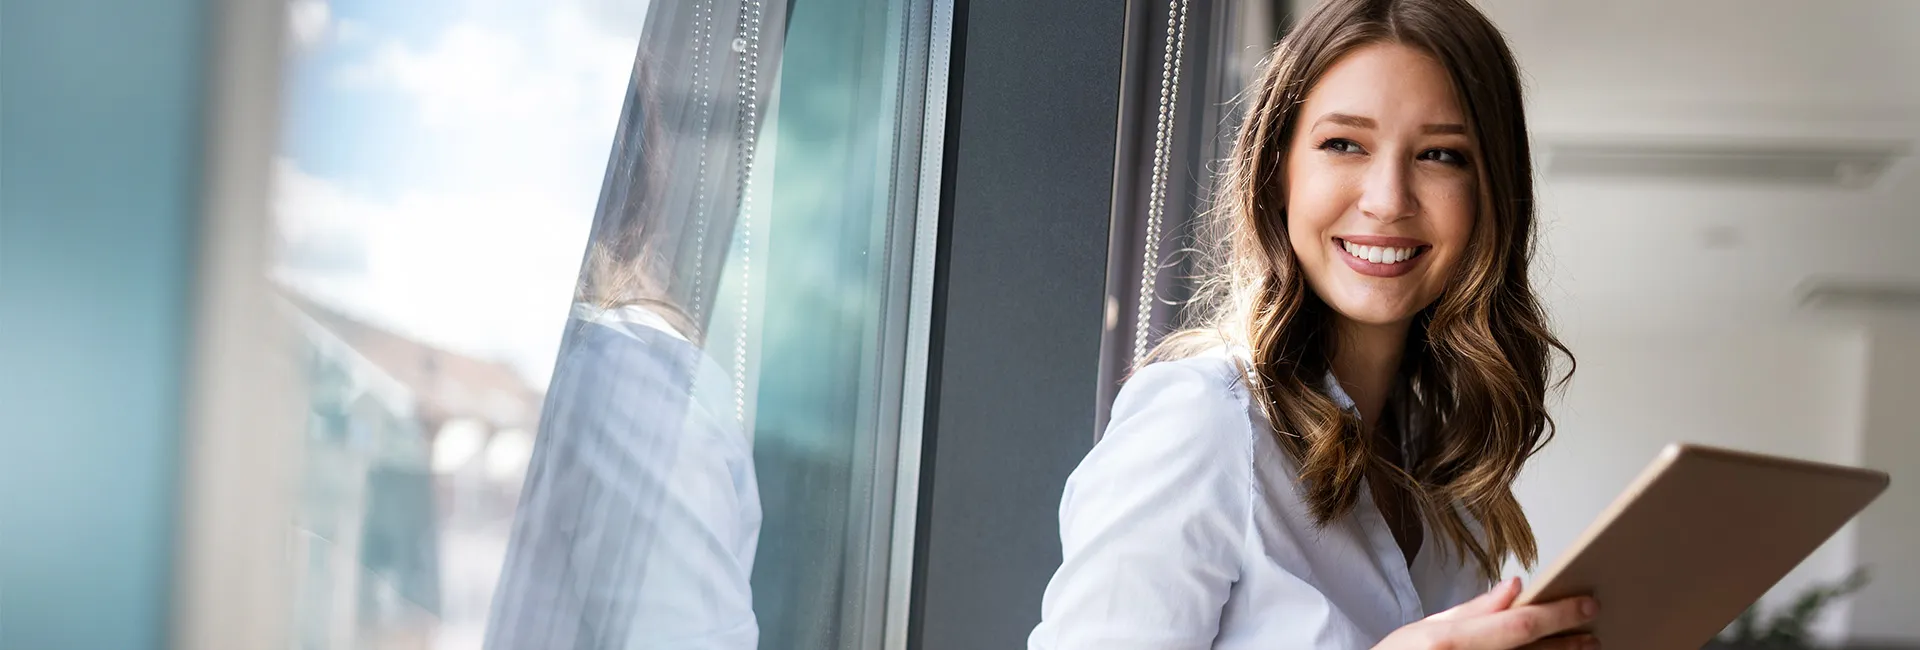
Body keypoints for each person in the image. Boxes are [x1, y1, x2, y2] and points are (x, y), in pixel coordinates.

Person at [1028, 0, 1595, 648]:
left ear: (1491, 193)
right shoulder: (1205, 420)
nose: (1387, 200)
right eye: (1344, 144)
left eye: (1440, 155)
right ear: (1276, 173)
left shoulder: (1444, 477)